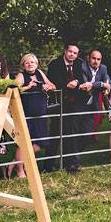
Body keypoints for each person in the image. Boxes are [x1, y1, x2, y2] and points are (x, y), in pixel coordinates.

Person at [43, 43, 87, 173]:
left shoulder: (79, 64)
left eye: (75, 53)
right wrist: (68, 85)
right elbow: (53, 83)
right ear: (65, 51)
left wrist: (77, 82)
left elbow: (81, 78)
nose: (72, 54)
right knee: (55, 135)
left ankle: (70, 165)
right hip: (59, 104)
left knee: (71, 135)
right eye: (70, 52)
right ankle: (47, 166)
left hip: (74, 105)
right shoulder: (54, 64)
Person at [12, 54, 56, 178]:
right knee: (24, 144)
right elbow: (13, 89)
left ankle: (15, 162)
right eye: (27, 62)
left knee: (39, 145)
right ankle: (20, 171)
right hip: (27, 116)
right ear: (23, 65)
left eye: (32, 62)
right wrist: (28, 87)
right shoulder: (21, 76)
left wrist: (48, 87)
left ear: (36, 64)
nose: (30, 64)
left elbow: (53, 86)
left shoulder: (40, 73)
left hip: (40, 116)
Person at [80, 49, 111, 144]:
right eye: (94, 58)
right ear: (88, 58)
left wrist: (101, 84)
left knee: (88, 133)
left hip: (93, 103)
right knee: (76, 131)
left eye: (98, 59)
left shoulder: (103, 68)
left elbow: (108, 82)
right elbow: (87, 85)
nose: (96, 61)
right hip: (80, 102)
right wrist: (102, 84)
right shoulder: (83, 67)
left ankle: (77, 153)